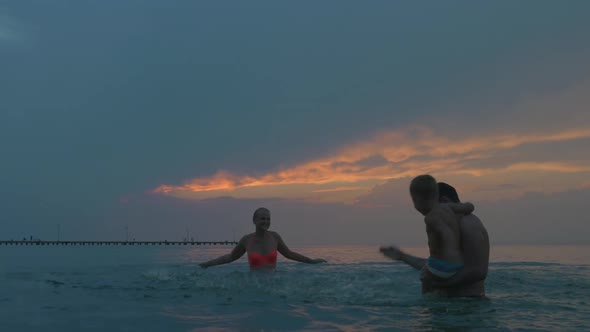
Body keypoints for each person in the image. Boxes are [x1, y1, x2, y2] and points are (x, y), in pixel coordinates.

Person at [381, 180, 490, 297]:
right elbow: (440, 266)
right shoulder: (446, 228)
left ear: (444, 202)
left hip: (469, 307)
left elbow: (478, 271)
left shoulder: (469, 224)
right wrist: (403, 257)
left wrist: (437, 284)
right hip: (446, 307)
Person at [199, 207, 327, 271]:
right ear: (254, 220)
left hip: (273, 283)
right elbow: (230, 257)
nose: (266, 221)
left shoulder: (275, 237)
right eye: (262, 218)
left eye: (268, 219)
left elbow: (289, 254)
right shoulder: (246, 240)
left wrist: (311, 261)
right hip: (254, 284)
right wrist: (207, 264)